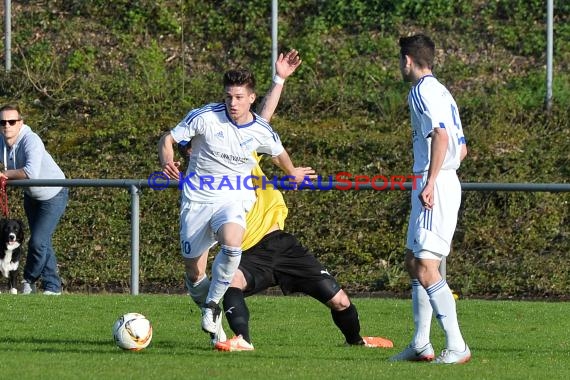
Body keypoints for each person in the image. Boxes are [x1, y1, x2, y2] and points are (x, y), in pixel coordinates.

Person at [158, 52, 310, 343]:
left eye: (239, 97)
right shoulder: (205, 118)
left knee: (232, 242)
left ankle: (214, 305)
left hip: (234, 198)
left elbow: (278, 151)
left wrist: (293, 172)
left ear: (251, 98)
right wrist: (167, 161)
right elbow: (168, 139)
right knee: (194, 272)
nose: (233, 103)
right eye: (229, 97)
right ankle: (215, 325)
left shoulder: (258, 131)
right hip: (197, 200)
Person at [212, 151, 394, 352]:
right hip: (249, 253)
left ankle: (356, 342)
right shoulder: (209, 187)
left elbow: (260, 126)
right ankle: (242, 340)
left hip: (283, 246)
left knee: (340, 301)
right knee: (231, 281)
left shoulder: (245, 157)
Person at [389, 34, 470, 364]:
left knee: (425, 264)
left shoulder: (420, 92)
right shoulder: (443, 91)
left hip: (432, 182)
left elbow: (440, 134)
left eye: (400, 61)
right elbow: (462, 148)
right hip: (437, 179)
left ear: (408, 60)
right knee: (413, 260)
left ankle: (457, 345)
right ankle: (422, 343)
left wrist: (432, 180)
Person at [0, 103, 68, 295]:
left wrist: (4, 174)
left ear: (20, 123)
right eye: (2, 122)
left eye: (12, 121)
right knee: (43, 241)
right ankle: (53, 287)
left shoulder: (31, 140)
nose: (7, 126)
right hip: (31, 196)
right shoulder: (1, 141)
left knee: (38, 242)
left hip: (53, 194)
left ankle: (28, 281)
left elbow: (31, 172)